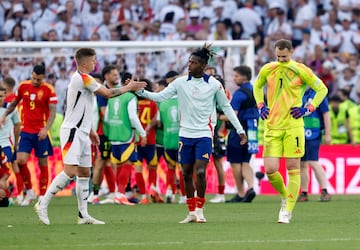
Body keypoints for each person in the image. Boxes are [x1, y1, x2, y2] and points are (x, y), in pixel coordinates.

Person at [136, 44, 247, 223]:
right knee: (186, 173)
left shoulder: (213, 85)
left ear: (203, 65)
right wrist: (139, 91)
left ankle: (200, 210)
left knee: (201, 171)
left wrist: (240, 130)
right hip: (185, 135)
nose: (189, 65)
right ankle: (191, 212)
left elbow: (226, 106)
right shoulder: (180, 82)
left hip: (204, 134)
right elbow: (160, 97)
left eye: (194, 63)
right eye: (189, 62)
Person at [34, 48, 146, 225]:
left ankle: (83, 215)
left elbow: (82, 107)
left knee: (85, 173)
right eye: (93, 61)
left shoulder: (85, 80)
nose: (95, 63)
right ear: (85, 63)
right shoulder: (83, 77)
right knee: (70, 171)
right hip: (72, 131)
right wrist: (129, 88)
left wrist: (91, 131)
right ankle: (42, 203)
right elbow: (109, 94)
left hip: (84, 132)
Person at [253, 39, 328, 224]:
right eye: (278, 56)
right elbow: (257, 86)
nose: (281, 59)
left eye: (284, 56)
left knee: (293, 168)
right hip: (272, 126)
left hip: (294, 126)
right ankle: (286, 197)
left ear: (291, 52)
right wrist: (260, 104)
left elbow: (322, 89)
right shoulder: (268, 68)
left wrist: (308, 108)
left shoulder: (301, 70)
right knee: (270, 170)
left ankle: (287, 211)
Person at [0, 65, 58, 206]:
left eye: (38, 79)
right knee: (20, 160)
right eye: (33, 78)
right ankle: (30, 191)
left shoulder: (49, 90)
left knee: (42, 162)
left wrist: (46, 128)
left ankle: (43, 196)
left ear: (43, 77)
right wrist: (5, 115)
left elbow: (53, 112)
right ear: (31, 74)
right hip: (26, 131)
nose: (35, 81)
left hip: (41, 132)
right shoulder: (23, 86)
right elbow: (14, 104)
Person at [104, 72, 148, 206]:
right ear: (128, 82)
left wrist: (110, 133)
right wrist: (143, 133)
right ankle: (121, 194)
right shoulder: (130, 96)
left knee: (118, 165)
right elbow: (133, 118)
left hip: (114, 135)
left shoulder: (112, 96)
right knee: (127, 164)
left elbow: (106, 118)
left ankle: (118, 193)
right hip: (126, 135)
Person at [221, 65, 258, 203]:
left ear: (244, 77)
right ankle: (251, 187)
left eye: (236, 76)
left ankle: (241, 193)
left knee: (236, 162)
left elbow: (233, 115)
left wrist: (219, 116)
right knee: (246, 162)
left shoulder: (239, 93)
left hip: (239, 131)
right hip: (253, 130)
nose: (234, 78)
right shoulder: (256, 91)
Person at [88, 66, 118, 205]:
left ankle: (112, 192)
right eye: (114, 74)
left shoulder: (113, 90)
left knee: (107, 162)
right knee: (100, 162)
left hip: (111, 132)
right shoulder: (102, 94)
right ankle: (94, 194)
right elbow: (104, 114)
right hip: (103, 133)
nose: (116, 76)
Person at [298, 88, 331, 202]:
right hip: (300, 132)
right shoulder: (298, 93)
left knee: (313, 161)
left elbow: (326, 113)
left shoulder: (318, 94)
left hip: (314, 132)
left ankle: (325, 190)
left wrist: (327, 133)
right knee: (302, 164)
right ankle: (304, 192)